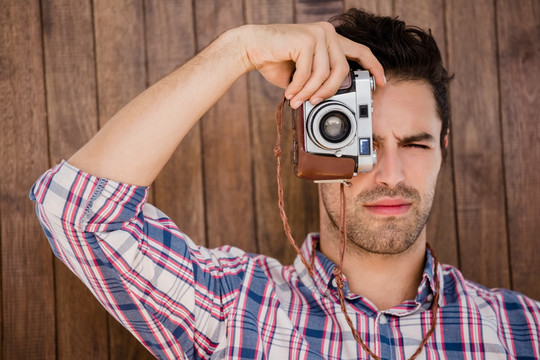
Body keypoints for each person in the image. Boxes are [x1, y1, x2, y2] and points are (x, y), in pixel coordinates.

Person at [30, 8, 539, 360]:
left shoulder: (524, 331)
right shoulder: (232, 306)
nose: (390, 175)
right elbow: (76, 212)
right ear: (310, 148)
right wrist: (238, 49)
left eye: (415, 144)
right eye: (359, 143)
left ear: (443, 149)